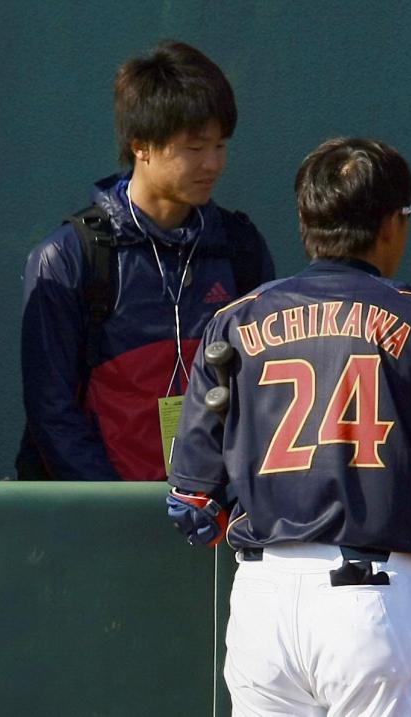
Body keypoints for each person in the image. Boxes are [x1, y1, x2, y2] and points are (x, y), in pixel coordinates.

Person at [167, 138, 411, 715]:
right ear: (393, 224)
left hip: (260, 606)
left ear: (307, 222)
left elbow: (191, 501)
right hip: (368, 600)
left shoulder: (232, 321)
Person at [18, 41, 274, 481]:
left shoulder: (240, 248)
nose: (212, 163)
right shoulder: (67, 257)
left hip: (209, 516)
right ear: (141, 146)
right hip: (102, 523)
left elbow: (260, 393)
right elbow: (52, 413)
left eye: (221, 145)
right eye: (194, 148)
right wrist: (114, 510)